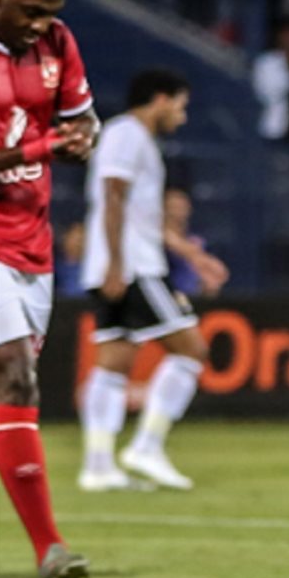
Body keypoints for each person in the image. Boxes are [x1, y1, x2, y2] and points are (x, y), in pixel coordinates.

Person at [0, 0, 99, 578]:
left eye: (51, 12)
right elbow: (38, 143)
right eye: (31, 11)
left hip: (32, 242)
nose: (41, 24)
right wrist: (39, 149)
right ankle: (50, 548)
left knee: (9, 394)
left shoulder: (58, 42)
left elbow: (81, 118)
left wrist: (84, 138)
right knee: (15, 375)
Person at [77, 69, 226, 493]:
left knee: (113, 364)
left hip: (117, 263)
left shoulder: (134, 139)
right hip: (133, 267)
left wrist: (193, 255)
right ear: (160, 99)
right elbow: (113, 195)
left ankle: (98, 465)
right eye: (180, 105)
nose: (181, 115)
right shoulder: (127, 134)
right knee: (192, 351)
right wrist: (116, 263)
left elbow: (141, 215)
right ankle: (147, 446)